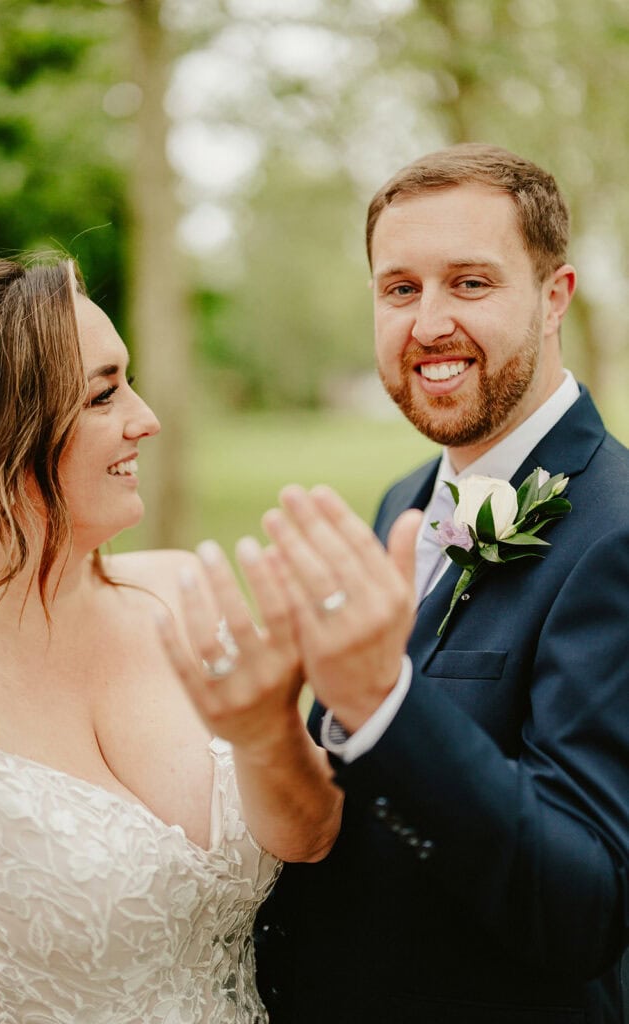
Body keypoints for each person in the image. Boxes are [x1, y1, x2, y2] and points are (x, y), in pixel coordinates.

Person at [255, 143, 629, 1023]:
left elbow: (587, 907)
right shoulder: (406, 500)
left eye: (469, 283)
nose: (428, 325)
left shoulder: (617, 533)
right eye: (400, 289)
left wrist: (386, 703)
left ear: (553, 298)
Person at [0, 254, 344, 1024]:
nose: (147, 417)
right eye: (103, 393)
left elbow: (311, 836)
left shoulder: (180, 593)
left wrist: (268, 730)